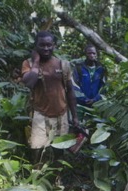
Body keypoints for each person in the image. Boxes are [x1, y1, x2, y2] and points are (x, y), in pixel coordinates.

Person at [21, 31, 80, 166]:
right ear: (36, 46)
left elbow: (70, 91)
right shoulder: (28, 64)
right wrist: (36, 62)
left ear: (54, 46)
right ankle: (36, 175)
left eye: (49, 45)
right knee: (37, 148)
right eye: (42, 45)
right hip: (40, 114)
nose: (46, 48)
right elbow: (29, 83)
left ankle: (56, 178)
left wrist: (75, 116)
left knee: (59, 150)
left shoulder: (63, 65)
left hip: (61, 114)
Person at [73, 44, 106, 109]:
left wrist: (95, 99)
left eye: (93, 53)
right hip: (81, 105)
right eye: (89, 53)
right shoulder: (79, 68)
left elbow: (104, 87)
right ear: (85, 54)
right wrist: (84, 99)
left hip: (97, 105)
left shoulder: (101, 69)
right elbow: (74, 86)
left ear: (96, 54)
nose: (92, 55)